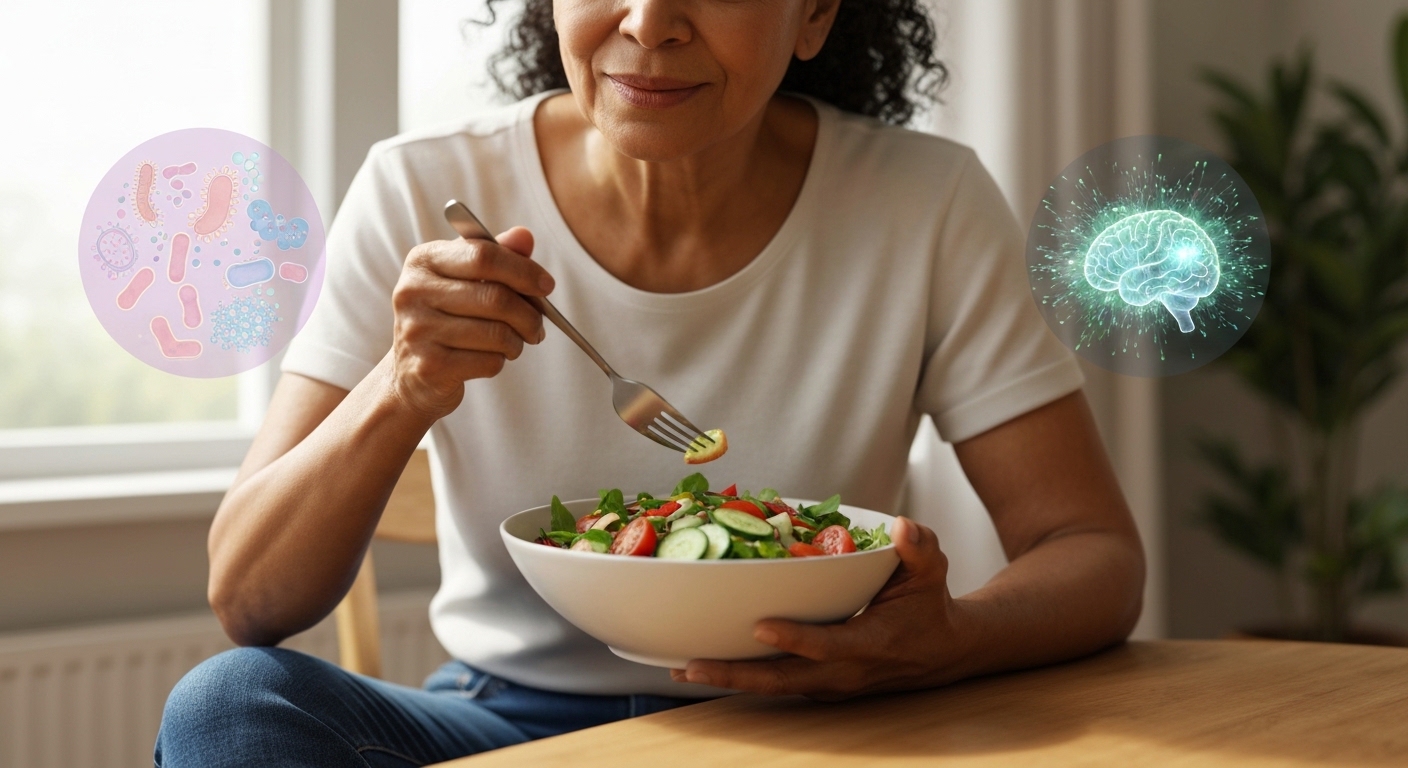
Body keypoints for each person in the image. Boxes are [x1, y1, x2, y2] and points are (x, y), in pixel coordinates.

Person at [156, 0, 1145, 765]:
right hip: (508, 730)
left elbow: (1092, 552)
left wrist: (949, 638)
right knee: (231, 702)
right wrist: (402, 387)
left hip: (810, 729)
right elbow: (249, 600)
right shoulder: (419, 190)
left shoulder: (927, 204)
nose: (648, 21)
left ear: (814, 13)